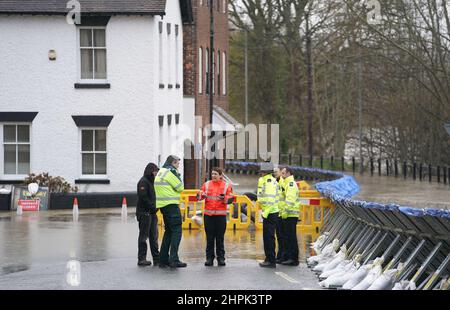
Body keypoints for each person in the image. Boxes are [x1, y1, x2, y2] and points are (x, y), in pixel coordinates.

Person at [154, 155, 187, 268]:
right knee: (177, 230)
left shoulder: (161, 171)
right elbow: (180, 187)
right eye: (177, 163)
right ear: (173, 163)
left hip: (163, 206)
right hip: (171, 205)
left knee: (169, 231)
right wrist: (177, 176)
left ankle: (163, 259)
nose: (178, 166)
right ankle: (174, 259)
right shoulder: (170, 172)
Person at [197, 167, 234, 267]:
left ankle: (221, 259)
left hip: (220, 216)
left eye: (215, 174)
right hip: (208, 216)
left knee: (220, 238)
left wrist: (224, 198)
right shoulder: (207, 184)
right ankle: (209, 258)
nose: (213, 176)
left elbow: (231, 198)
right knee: (209, 238)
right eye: (212, 174)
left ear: (221, 175)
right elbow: (198, 196)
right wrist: (201, 195)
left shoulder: (226, 185)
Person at [257, 162, 280, 268]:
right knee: (267, 237)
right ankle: (269, 259)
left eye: (262, 171)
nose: (260, 173)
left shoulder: (269, 182)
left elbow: (270, 199)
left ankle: (271, 260)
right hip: (269, 212)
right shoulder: (268, 180)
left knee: (269, 237)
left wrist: (265, 213)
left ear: (265, 172)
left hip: (270, 213)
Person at [136, 163, 160, 266]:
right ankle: (142, 259)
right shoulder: (143, 182)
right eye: (155, 171)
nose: (156, 173)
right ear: (150, 171)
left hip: (152, 213)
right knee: (144, 236)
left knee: (154, 236)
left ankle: (156, 258)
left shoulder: (152, 181)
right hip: (144, 213)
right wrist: (153, 207)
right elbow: (143, 198)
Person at [280, 167, 300, 266]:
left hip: (290, 214)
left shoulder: (291, 184)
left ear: (288, 173)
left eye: (283, 173)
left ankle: (294, 259)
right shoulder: (286, 183)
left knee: (291, 237)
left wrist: (285, 212)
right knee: (287, 237)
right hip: (288, 214)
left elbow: (290, 200)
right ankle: (289, 257)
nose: (281, 175)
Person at [273, 166, 286, 264]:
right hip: (276, 212)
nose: (275, 173)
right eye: (273, 172)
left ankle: (282, 256)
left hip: (282, 213)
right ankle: (280, 255)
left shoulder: (282, 183)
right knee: (278, 236)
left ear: (280, 172)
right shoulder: (274, 182)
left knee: (282, 236)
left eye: (276, 171)